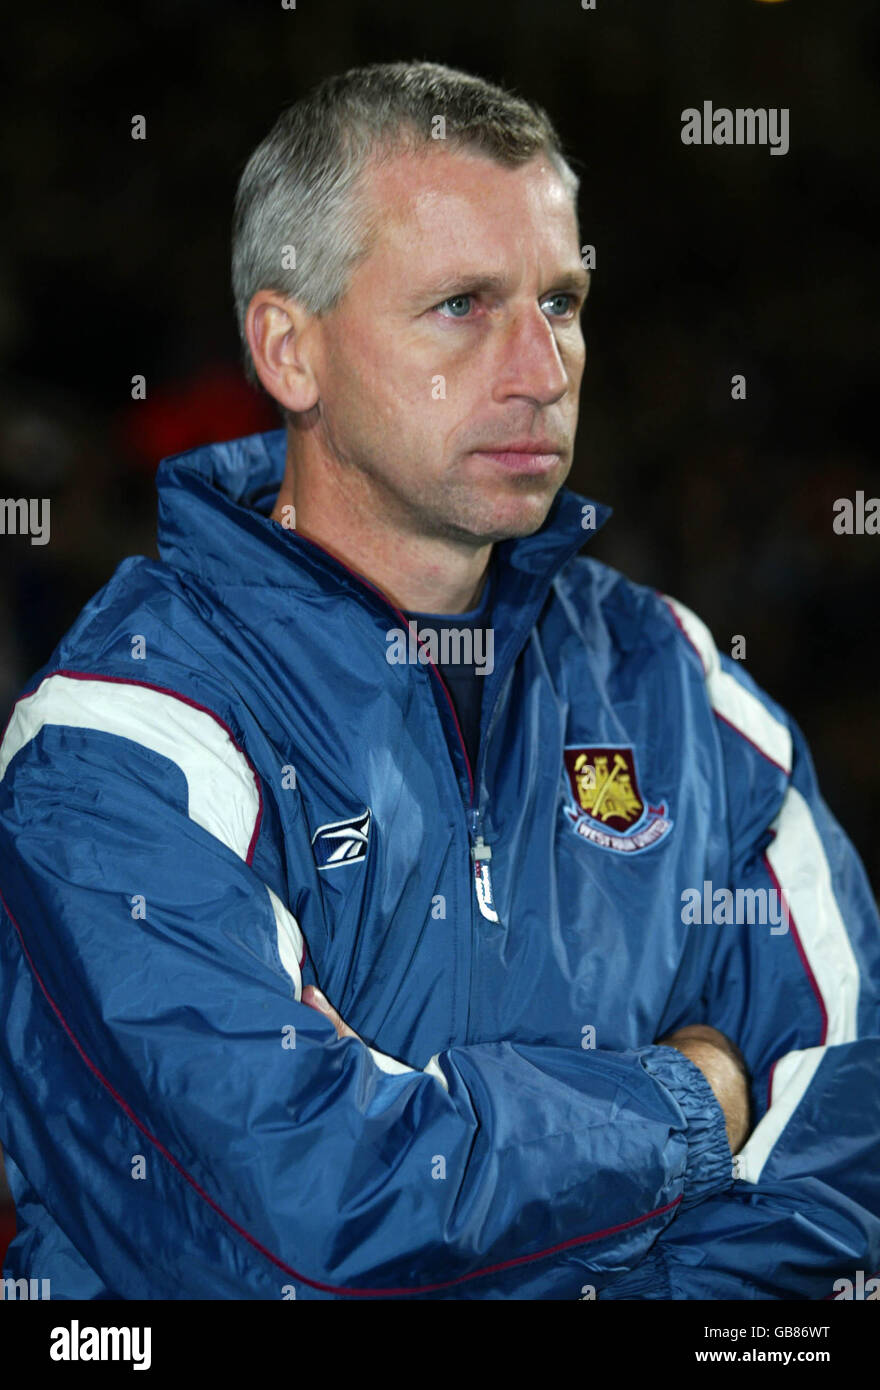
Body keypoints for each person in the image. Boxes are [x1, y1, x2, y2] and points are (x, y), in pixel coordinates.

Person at [0, 60, 877, 1302]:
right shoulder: (124, 740)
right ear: (288, 349)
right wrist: (689, 1099)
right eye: (463, 304)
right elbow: (304, 1236)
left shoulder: (681, 691)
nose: (540, 366)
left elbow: (853, 1165)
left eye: (561, 301)